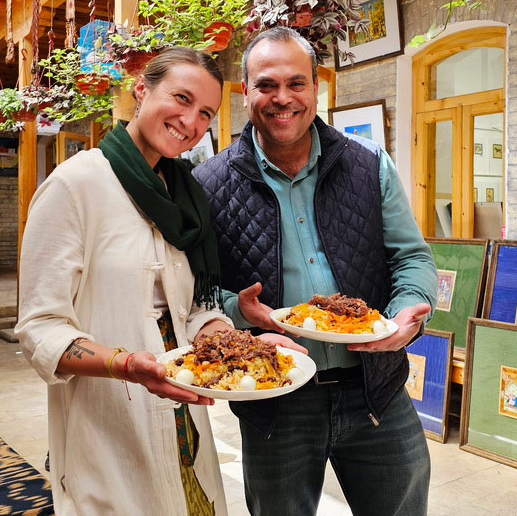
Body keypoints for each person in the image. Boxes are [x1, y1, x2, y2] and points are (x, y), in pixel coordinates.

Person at [16, 47, 302, 515]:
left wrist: (241, 347)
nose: (191, 121)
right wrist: (130, 365)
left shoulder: (184, 193)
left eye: (205, 112)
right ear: (141, 89)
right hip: (110, 417)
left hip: (185, 411)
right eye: (181, 98)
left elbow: (192, 310)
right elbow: (40, 331)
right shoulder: (74, 187)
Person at [193, 27, 438, 516]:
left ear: (316, 88)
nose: (282, 98)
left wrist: (410, 309)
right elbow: (195, 294)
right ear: (246, 94)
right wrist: (234, 312)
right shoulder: (207, 184)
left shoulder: (370, 166)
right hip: (273, 397)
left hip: (376, 389)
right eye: (266, 85)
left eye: (296, 83)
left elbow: (411, 257)